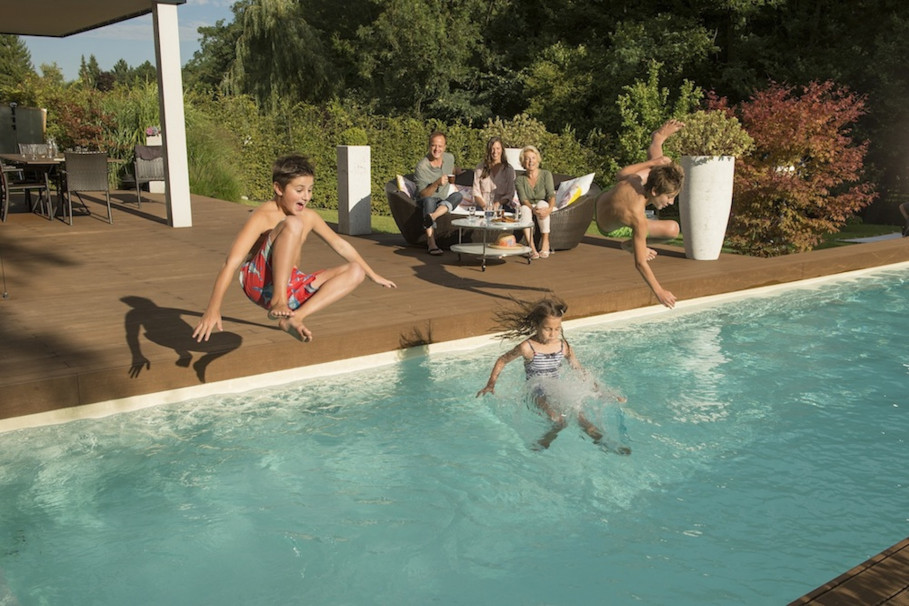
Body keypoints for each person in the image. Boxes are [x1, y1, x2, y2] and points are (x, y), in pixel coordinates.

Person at [192, 154, 396, 344]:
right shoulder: (263, 216)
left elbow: (340, 245)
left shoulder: (310, 216)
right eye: (299, 190)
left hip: (292, 285)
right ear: (279, 189)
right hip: (258, 282)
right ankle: (279, 300)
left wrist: (372, 274)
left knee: (356, 271)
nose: (306, 196)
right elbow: (231, 263)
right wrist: (213, 308)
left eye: (310, 190)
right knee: (293, 223)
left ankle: (295, 318)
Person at [476, 296, 629, 453]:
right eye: (548, 329)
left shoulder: (563, 346)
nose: (553, 334)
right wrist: (490, 384)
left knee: (579, 415)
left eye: (557, 329)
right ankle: (544, 440)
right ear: (537, 325)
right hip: (535, 391)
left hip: (555, 387)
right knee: (558, 419)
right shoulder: (527, 347)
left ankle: (604, 441)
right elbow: (502, 360)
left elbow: (579, 370)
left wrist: (601, 391)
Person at [595, 119, 686, 308]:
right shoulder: (638, 218)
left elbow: (620, 174)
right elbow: (640, 264)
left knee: (662, 165)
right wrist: (659, 291)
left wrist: (655, 158)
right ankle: (630, 245)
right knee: (672, 229)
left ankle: (658, 138)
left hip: (604, 199)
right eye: (669, 197)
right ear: (654, 192)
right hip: (607, 227)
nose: (671, 202)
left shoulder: (638, 178)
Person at [414, 131, 463, 255]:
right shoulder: (422, 166)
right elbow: (423, 195)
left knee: (458, 195)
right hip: (426, 199)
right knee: (429, 200)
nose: (437, 149)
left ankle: (432, 217)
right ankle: (431, 243)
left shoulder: (449, 158)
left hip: (442, 201)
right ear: (429, 146)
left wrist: (458, 171)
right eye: (434, 145)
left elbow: (451, 169)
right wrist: (436, 183)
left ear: (445, 147)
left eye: (440, 146)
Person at [514, 145, 555, 259]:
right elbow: (523, 200)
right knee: (524, 209)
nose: (530, 161)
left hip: (542, 204)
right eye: (527, 158)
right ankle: (531, 246)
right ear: (523, 162)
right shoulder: (519, 179)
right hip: (529, 206)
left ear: (537, 159)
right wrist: (533, 210)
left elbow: (551, 195)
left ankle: (545, 242)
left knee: (542, 205)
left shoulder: (546, 174)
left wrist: (549, 209)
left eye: (533, 157)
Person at [472, 136, 516, 212]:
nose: (495, 152)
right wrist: (484, 206)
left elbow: (510, 194)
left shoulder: (509, 169)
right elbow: (476, 193)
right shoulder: (480, 168)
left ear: (502, 150)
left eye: (498, 148)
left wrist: (498, 204)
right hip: (483, 207)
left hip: (502, 207)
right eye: (492, 149)